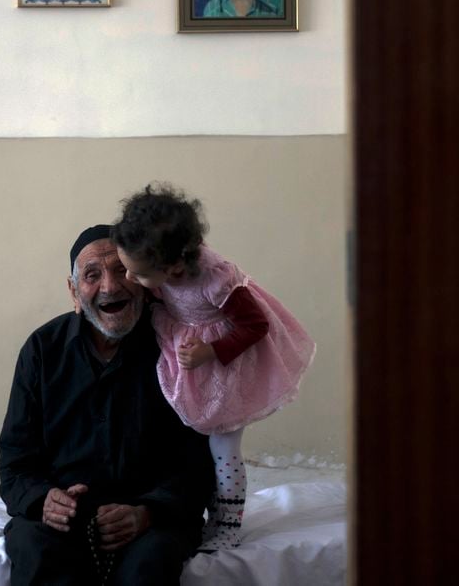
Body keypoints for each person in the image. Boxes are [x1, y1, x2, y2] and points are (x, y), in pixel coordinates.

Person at [0, 225, 214, 585]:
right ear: (73, 292)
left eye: (121, 271)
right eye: (92, 275)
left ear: (144, 282)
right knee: (35, 551)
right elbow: (16, 461)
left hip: (151, 520)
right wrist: (45, 500)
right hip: (60, 523)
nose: (110, 287)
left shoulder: (179, 349)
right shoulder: (41, 350)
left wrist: (146, 512)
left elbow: (199, 464)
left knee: (149, 564)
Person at [111, 183, 315, 551]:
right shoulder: (162, 265)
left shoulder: (216, 280)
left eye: (137, 274)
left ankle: (230, 523)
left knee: (224, 446)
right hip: (185, 357)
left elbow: (256, 325)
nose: (129, 280)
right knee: (190, 444)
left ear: (173, 267)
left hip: (224, 368)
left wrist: (211, 351)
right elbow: (157, 293)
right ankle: (203, 510)